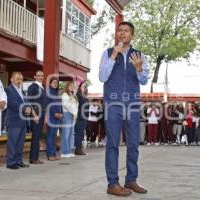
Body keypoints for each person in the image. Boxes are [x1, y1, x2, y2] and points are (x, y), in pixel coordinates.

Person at [99, 21, 148, 196]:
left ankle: (131, 180)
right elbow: (102, 76)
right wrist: (114, 55)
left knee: (134, 143)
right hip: (113, 104)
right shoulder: (107, 53)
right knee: (112, 144)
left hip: (132, 104)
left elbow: (144, 81)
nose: (122, 33)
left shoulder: (139, 55)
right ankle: (112, 183)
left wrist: (139, 69)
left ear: (132, 35)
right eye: (120, 30)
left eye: (126, 31)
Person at [5, 72, 37, 169]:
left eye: (21, 79)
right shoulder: (8, 90)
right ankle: (11, 162)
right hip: (14, 121)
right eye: (17, 78)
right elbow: (11, 102)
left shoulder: (22, 91)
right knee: (13, 143)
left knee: (20, 143)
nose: (19, 81)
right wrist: (24, 108)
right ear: (11, 79)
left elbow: (26, 102)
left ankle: (18, 161)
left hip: (23, 121)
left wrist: (30, 110)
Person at [27, 70, 47, 164]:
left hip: (42, 113)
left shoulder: (43, 87)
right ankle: (33, 158)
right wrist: (34, 115)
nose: (40, 77)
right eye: (38, 75)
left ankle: (35, 157)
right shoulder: (32, 87)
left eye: (42, 76)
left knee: (38, 136)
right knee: (35, 136)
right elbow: (29, 101)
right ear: (34, 77)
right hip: (36, 113)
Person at [46, 78, 63, 161]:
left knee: (54, 136)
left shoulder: (57, 93)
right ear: (50, 84)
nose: (55, 84)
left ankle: (54, 153)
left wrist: (61, 113)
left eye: (57, 82)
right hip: (51, 117)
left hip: (58, 118)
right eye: (54, 82)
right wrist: (54, 113)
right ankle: (50, 154)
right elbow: (49, 105)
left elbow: (60, 105)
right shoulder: (48, 92)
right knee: (50, 136)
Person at [61, 81, 78, 158]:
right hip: (67, 114)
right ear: (67, 86)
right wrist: (74, 112)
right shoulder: (65, 95)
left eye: (73, 86)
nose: (72, 87)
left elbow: (76, 105)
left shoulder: (73, 95)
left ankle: (68, 151)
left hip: (72, 115)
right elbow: (66, 105)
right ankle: (64, 152)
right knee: (66, 134)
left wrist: (75, 113)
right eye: (70, 86)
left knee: (71, 134)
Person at [74, 81, 89, 155]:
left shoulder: (85, 96)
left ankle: (79, 148)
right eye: (83, 86)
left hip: (84, 118)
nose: (85, 88)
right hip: (80, 117)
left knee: (81, 134)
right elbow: (76, 106)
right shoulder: (78, 95)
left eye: (86, 86)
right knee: (79, 133)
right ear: (80, 87)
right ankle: (77, 149)